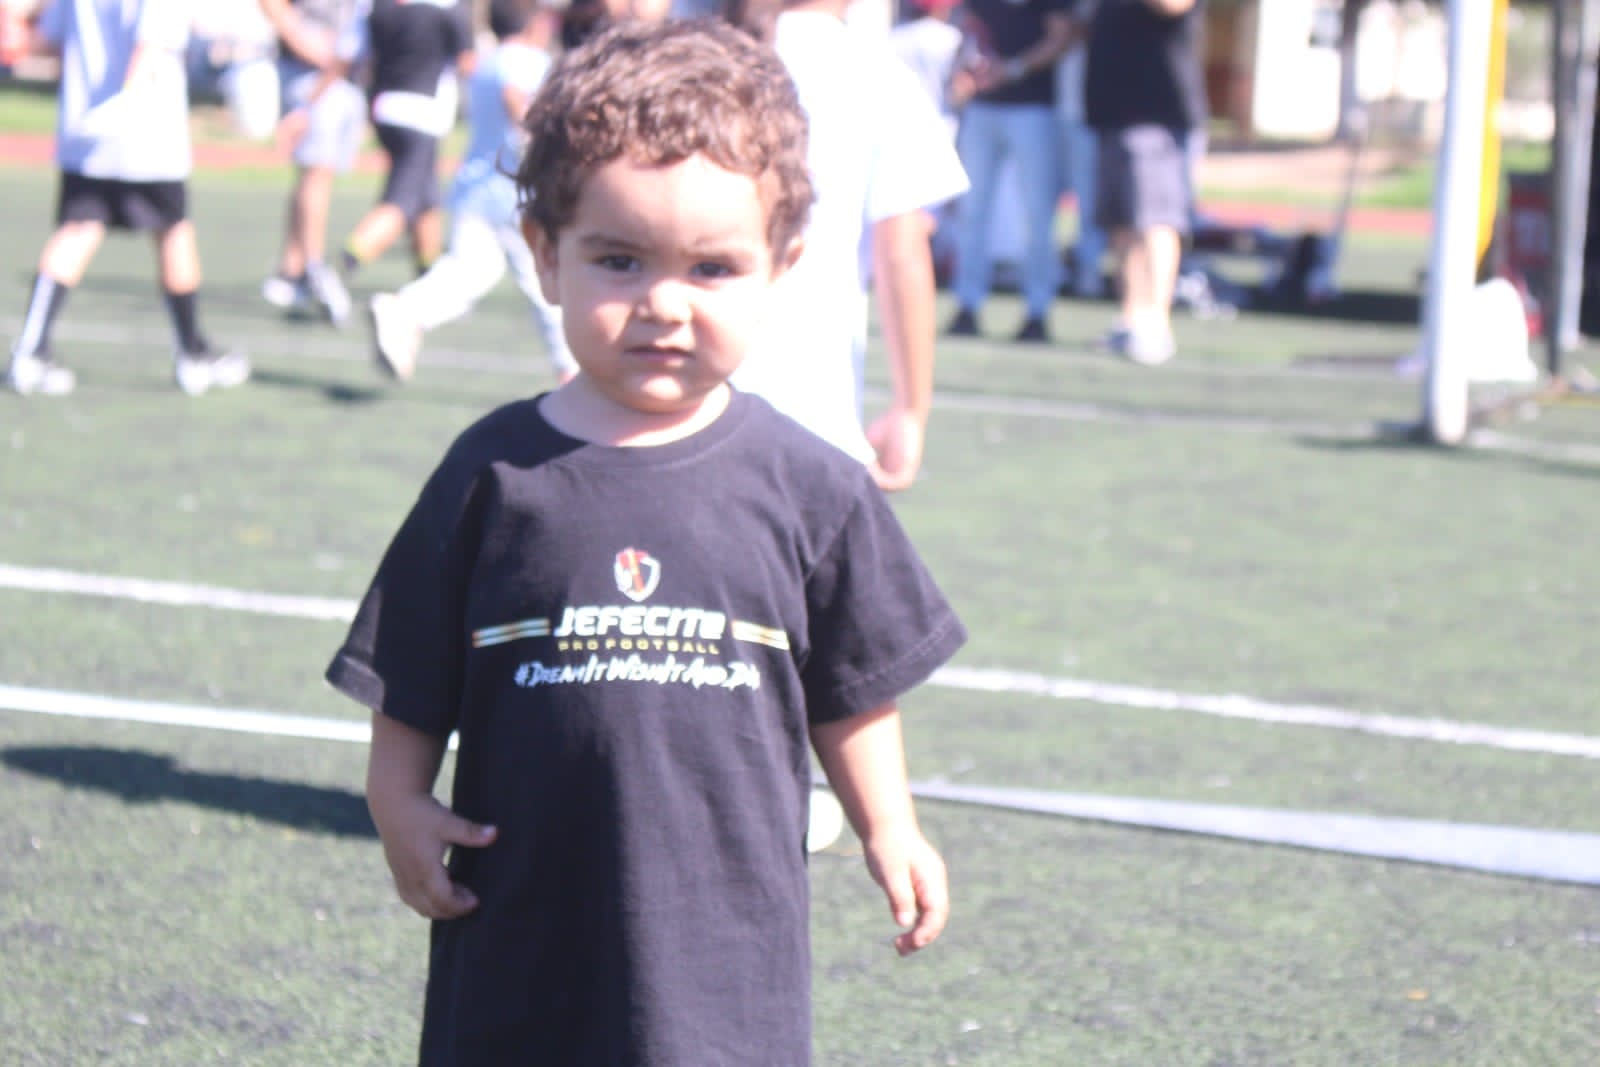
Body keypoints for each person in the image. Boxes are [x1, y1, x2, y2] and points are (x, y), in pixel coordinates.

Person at [324, 19, 963, 1063]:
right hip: (518, 931)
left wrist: (889, 823)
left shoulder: (812, 483)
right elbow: (411, 665)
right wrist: (395, 795)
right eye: (619, 260)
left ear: (782, 268)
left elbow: (853, 685)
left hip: (726, 950)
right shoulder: (494, 471)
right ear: (545, 255)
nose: (664, 305)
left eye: (712, 268)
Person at [725, 0, 969, 493]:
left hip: (669, 397)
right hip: (809, 405)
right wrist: (910, 408)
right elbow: (902, 252)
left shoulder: (696, 56)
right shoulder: (876, 74)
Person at [6, 0, 249, 397]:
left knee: (78, 230)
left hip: (87, 133)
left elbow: (47, 40)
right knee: (173, 232)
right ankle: (193, 354)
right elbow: (151, 44)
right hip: (147, 135)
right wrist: (125, 102)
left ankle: (31, 352)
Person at [366, 0, 576, 383]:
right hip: (514, 192)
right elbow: (516, 100)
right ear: (534, 23)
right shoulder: (528, 61)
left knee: (471, 271)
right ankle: (571, 370)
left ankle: (405, 310)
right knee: (544, 282)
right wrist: (543, 141)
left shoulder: (487, 62)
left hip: (475, 186)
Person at [313, 0, 474, 283]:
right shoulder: (447, 7)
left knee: (426, 197)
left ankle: (429, 279)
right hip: (423, 113)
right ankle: (338, 268)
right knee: (401, 202)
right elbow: (468, 62)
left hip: (384, 108)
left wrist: (311, 100)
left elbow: (348, 54)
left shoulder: (373, 6)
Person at [943, 0, 1074, 343]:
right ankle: (967, 305)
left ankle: (1037, 311)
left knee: (1038, 216)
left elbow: (1062, 36)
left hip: (1033, 109)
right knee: (972, 212)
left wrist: (1014, 68)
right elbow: (967, 30)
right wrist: (963, 73)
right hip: (983, 108)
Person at [1084, 0, 1207, 365]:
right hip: (1113, 113)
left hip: (1157, 116)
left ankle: (1157, 323)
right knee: (1122, 224)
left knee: (1157, 220)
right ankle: (1131, 317)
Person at [257, 0, 365, 326]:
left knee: (318, 175)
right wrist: (300, 37)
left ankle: (293, 270)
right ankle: (313, 271)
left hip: (342, 73)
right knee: (317, 172)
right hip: (311, 72)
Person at [1055, 7, 1105, 298]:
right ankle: (1055, 267)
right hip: (1052, 112)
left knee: (1088, 199)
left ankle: (1088, 272)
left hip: (1088, 116)